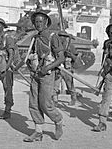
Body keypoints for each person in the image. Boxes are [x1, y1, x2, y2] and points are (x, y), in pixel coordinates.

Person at [23, 10, 64, 142]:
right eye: (36, 22)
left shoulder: (53, 37)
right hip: (35, 74)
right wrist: (30, 64)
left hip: (47, 74)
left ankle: (58, 121)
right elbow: (32, 55)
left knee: (45, 104)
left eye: (41, 21)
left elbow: (61, 58)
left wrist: (47, 67)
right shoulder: (35, 38)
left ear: (46, 23)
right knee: (33, 103)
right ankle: (38, 132)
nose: (38, 24)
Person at [53, 31, 78, 106]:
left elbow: (76, 58)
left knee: (70, 86)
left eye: (63, 36)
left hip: (67, 69)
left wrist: (70, 55)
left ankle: (73, 98)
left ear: (66, 37)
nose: (61, 38)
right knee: (55, 86)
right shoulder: (55, 45)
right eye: (60, 36)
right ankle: (55, 100)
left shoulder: (70, 46)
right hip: (58, 68)